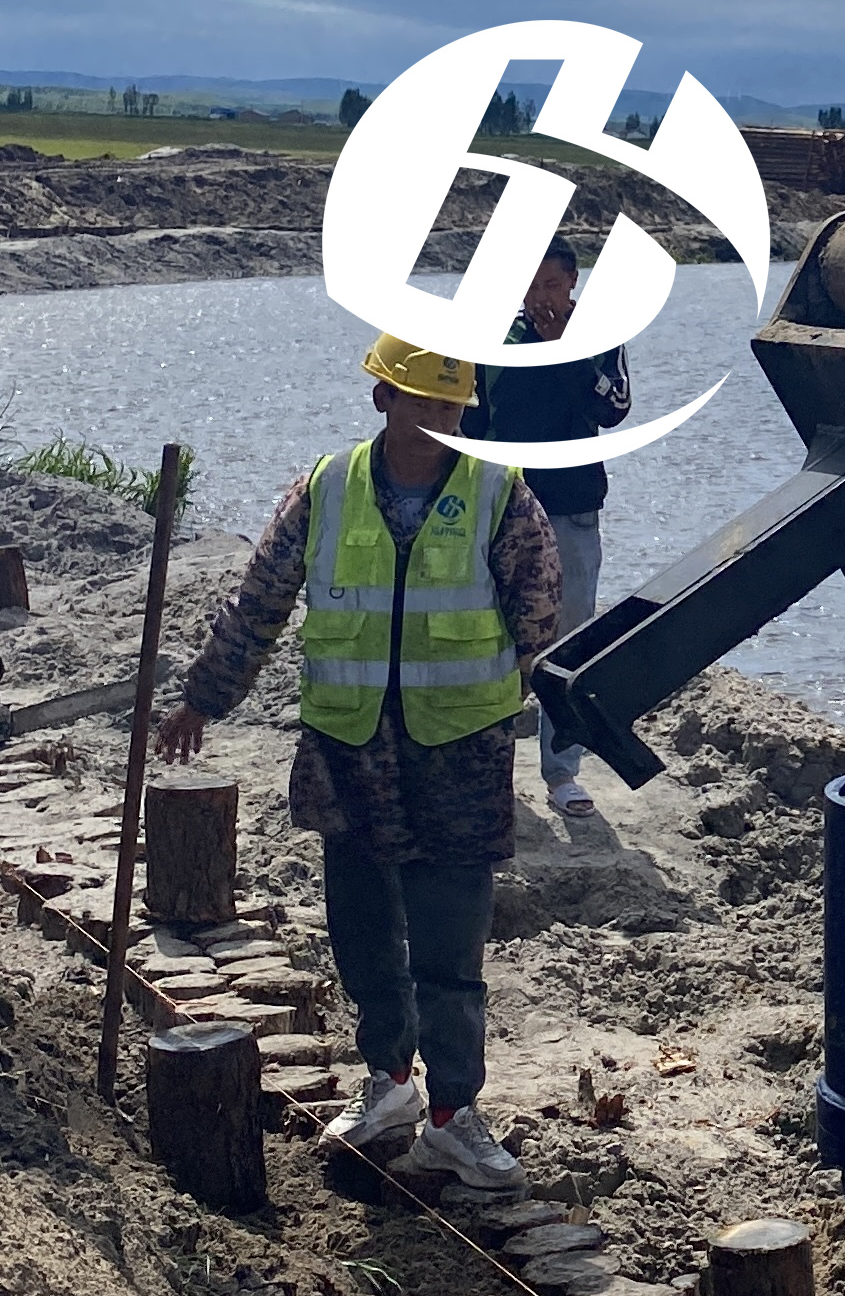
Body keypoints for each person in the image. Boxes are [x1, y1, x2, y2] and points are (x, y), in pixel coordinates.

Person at [153, 334, 560, 1189]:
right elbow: (259, 601)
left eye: (453, 407)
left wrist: (485, 701)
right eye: (425, 403)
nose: (441, 420)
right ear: (383, 399)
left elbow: (537, 614)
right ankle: (389, 1080)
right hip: (350, 752)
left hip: (458, 756)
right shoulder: (328, 489)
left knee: (450, 949)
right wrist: (204, 698)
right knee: (365, 932)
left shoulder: (499, 494)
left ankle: (453, 1114)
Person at [471, 239, 630, 825]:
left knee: (569, 639)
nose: (541, 297)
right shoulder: (493, 336)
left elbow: (614, 409)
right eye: (531, 286)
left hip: (572, 506)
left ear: (572, 284)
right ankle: (489, 765)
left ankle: (562, 772)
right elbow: (469, 420)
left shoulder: (599, 336)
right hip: (500, 507)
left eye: (552, 285)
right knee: (489, 635)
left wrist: (565, 349)